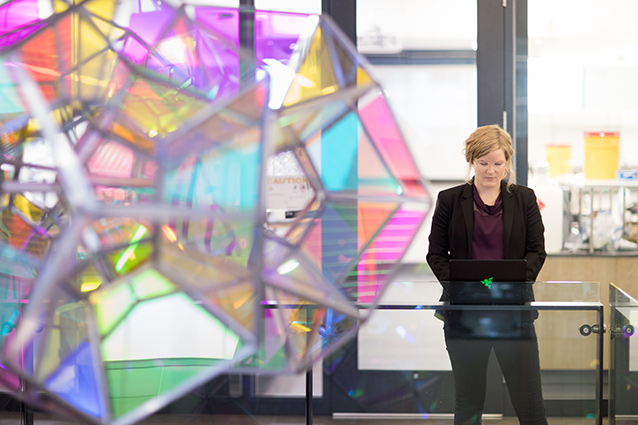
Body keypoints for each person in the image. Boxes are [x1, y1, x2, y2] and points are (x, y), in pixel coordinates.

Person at [426, 124, 548, 425]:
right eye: (483, 163)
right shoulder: (450, 200)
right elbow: (436, 254)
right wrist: (468, 286)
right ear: (472, 161)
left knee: (529, 403)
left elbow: (536, 252)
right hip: (465, 314)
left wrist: (508, 285)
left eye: (497, 163)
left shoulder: (525, 198)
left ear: (507, 163)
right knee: (468, 402)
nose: (490, 171)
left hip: (513, 314)